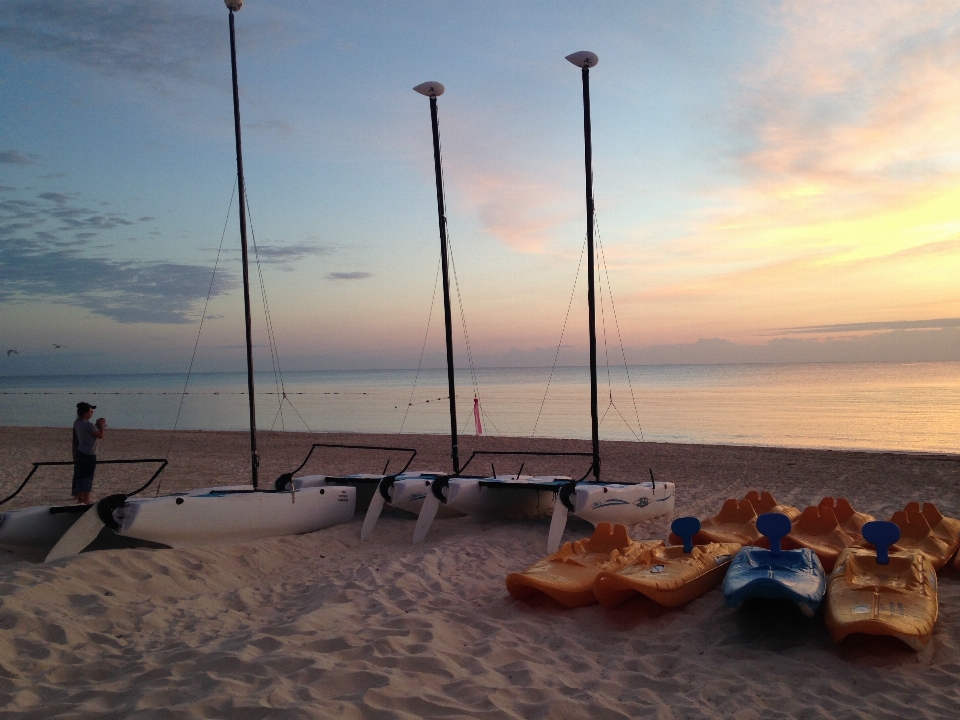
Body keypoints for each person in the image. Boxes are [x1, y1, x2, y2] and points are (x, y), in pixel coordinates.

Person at [72, 402, 106, 504]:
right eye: (90, 412)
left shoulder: (77, 422)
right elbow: (100, 435)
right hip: (89, 454)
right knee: (87, 477)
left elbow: (89, 432)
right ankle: (86, 499)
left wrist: (96, 426)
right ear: (85, 412)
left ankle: (80, 498)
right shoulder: (87, 425)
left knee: (80, 476)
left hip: (80, 452)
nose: (92, 414)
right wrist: (101, 426)